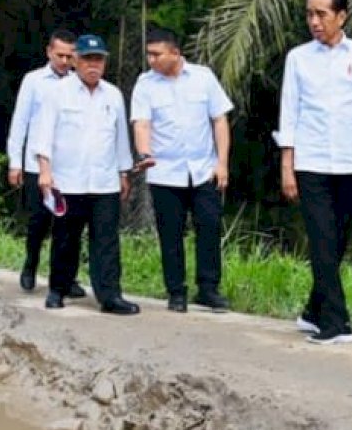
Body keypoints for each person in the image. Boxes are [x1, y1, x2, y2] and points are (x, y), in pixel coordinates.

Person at [274, 0, 352, 345]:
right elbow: (289, 111)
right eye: (309, 14)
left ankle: (312, 311)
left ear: (341, 16)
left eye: (321, 14)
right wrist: (287, 165)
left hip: (351, 161)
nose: (314, 21)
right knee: (322, 240)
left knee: (337, 241)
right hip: (311, 162)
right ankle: (336, 323)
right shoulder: (298, 58)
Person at [30, 34, 136, 314]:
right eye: (87, 59)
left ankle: (110, 295)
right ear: (75, 60)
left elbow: (120, 138)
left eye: (98, 59)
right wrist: (44, 172)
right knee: (66, 238)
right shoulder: (57, 92)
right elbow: (44, 134)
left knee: (106, 240)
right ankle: (58, 289)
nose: (93, 65)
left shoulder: (112, 95)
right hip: (68, 180)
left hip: (104, 181)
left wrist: (124, 172)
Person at [130, 28, 233, 313]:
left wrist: (222, 162)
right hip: (165, 172)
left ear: (175, 53)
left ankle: (209, 289)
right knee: (170, 232)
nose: (151, 60)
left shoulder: (203, 77)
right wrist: (145, 153)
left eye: (156, 54)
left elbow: (220, 121)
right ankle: (176, 291)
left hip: (203, 170)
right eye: (148, 54)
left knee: (209, 227)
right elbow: (141, 123)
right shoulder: (145, 84)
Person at [6, 29, 85, 298]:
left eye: (69, 56)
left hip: (69, 168)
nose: (64, 61)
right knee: (39, 222)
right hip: (35, 166)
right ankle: (30, 265)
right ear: (49, 52)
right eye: (60, 55)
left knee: (70, 227)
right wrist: (15, 162)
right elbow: (20, 122)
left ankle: (66, 277)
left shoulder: (80, 82)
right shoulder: (34, 81)